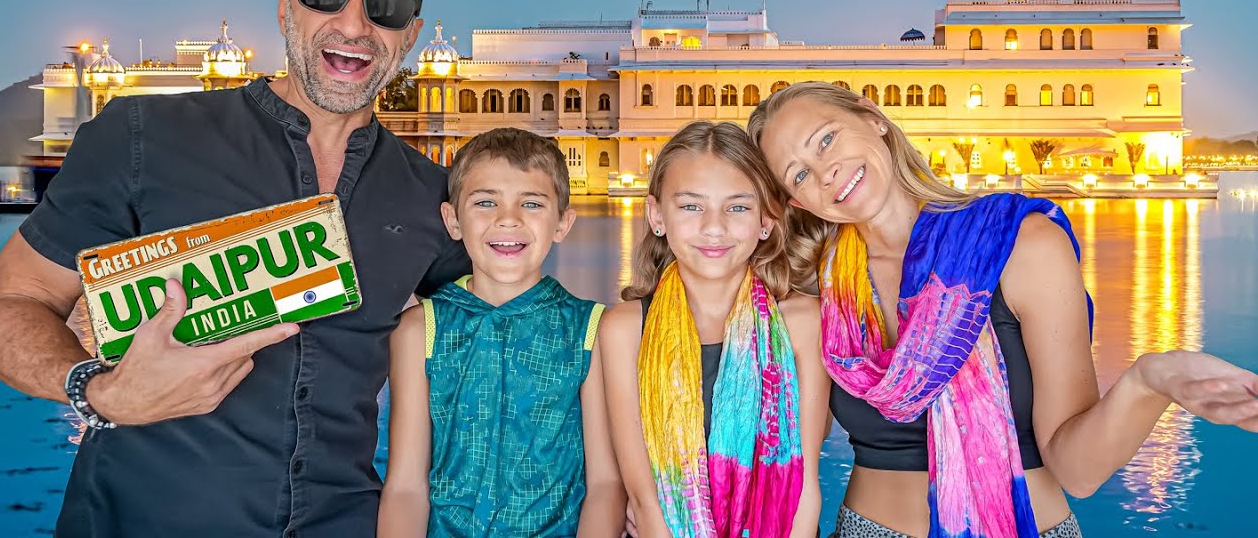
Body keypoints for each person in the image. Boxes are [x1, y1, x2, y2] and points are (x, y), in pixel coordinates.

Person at [0, 0, 471, 537]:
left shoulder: (430, 196)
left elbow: (507, 332)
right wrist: (96, 390)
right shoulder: (144, 137)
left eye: (386, 7)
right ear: (285, 4)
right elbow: (8, 304)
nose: (354, 24)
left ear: (411, 32)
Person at [747, 81, 1258, 538]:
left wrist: (1151, 380)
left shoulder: (1021, 245)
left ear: (873, 118)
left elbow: (1076, 472)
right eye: (799, 175)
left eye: (827, 139)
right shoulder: (818, 290)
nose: (825, 170)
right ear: (796, 203)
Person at [378, 127, 626, 537]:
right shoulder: (420, 330)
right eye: (485, 202)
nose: (507, 219)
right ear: (452, 220)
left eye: (531, 203)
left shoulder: (591, 331)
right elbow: (406, 486)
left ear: (562, 223)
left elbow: (605, 484)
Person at [599, 121, 830, 538]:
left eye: (737, 207)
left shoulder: (802, 323)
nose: (714, 227)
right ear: (656, 216)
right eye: (690, 206)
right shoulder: (625, 328)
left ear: (767, 221)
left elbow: (806, 487)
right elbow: (645, 499)